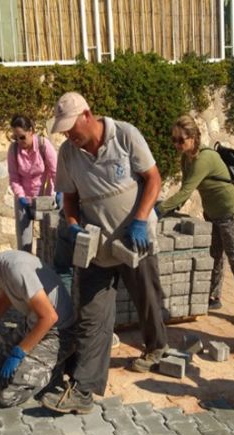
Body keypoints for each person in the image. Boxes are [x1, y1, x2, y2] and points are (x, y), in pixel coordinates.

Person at [39, 92, 168, 414]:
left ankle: (156, 348)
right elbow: (69, 197)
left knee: (147, 295)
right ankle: (83, 389)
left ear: (88, 114)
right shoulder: (69, 153)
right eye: (65, 131)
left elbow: (153, 179)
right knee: (92, 314)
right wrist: (71, 225)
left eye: (72, 129)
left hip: (133, 239)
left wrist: (140, 220)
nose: (69, 136)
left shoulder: (124, 135)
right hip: (96, 247)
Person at [0, 237, 75, 407]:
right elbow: (5, 300)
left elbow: (49, 317)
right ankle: (32, 366)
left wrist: (19, 352)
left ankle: (53, 371)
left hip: (59, 333)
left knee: (7, 396)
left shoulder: (17, 270)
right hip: (33, 326)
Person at [156, 115, 234, 326]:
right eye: (174, 140)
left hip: (229, 210)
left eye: (181, 140)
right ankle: (214, 297)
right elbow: (186, 188)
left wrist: (158, 210)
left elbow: (186, 190)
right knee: (215, 255)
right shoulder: (186, 158)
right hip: (212, 211)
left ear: (193, 138)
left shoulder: (203, 159)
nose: (177, 145)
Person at [6, 114, 59, 253]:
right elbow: (14, 177)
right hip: (24, 199)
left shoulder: (43, 145)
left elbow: (55, 171)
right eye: (15, 138)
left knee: (49, 241)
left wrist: (59, 191)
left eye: (22, 137)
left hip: (44, 198)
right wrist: (21, 196)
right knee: (24, 244)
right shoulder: (13, 150)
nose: (19, 140)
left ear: (31, 131)